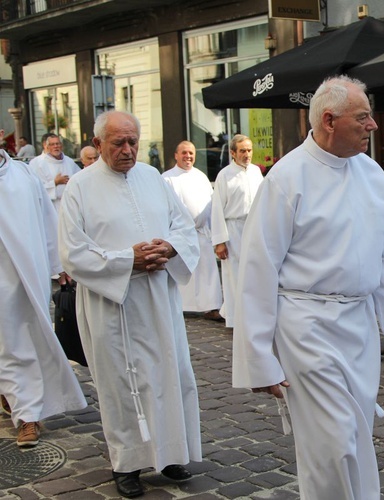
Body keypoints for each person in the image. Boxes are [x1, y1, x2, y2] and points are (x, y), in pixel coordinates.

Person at [232, 76, 384, 499]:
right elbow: (258, 267)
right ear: (328, 120)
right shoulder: (287, 178)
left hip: (358, 327)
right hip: (306, 328)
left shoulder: (372, 173)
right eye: (363, 117)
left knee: (357, 434)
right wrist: (259, 357)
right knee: (333, 442)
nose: (373, 125)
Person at [58, 111, 201, 498]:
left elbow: (184, 227)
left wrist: (169, 248)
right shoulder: (80, 188)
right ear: (98, 142)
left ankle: (171, 453)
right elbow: (73, 252)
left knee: (170, 374)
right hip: (112, 304)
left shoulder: (153, 178)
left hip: (158, 297)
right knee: (122, 383)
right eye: (118, 143)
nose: (127, 150)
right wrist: (128, 260)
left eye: (133, 141)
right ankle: (129, 463)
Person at [0, 146, 87, 447]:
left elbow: (49, 222)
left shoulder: (24, 176)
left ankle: (28, 413)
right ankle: (23, 408)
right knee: (9, 343)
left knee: (30, 339)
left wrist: (58, 264)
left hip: (28, 270)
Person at [163, 141, 223, 321]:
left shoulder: (201, 177)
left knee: (207, 272)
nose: (188, 156)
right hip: (180, 234)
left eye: (191, 153)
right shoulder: (167, 178)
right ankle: (183, 306)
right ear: (176, 155)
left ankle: (210, 306)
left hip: (202, 233)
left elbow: (211, 205)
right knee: (185, 272)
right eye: (184, 153)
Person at [210, 134, 264, 328]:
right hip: (233, 230)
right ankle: (234, 319)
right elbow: (216, 209)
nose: (247, 154)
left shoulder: (257, 172)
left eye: (249, 150)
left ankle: (253, 316)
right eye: (242, 151)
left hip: (254, 228)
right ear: (233, 153)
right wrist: (219, 241)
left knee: (254, 273)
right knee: (234, 276)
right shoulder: (225, 175)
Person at [28, 133, 81, 211]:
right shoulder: (37, 163)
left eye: (58, 144)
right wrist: (55, 182)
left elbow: (78, 178)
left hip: (70, 204)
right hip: (50, 207)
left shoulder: (68, 161)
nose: (56, 146)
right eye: (52, 144)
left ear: (61, 146)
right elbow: (35, 187)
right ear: (46, 146)